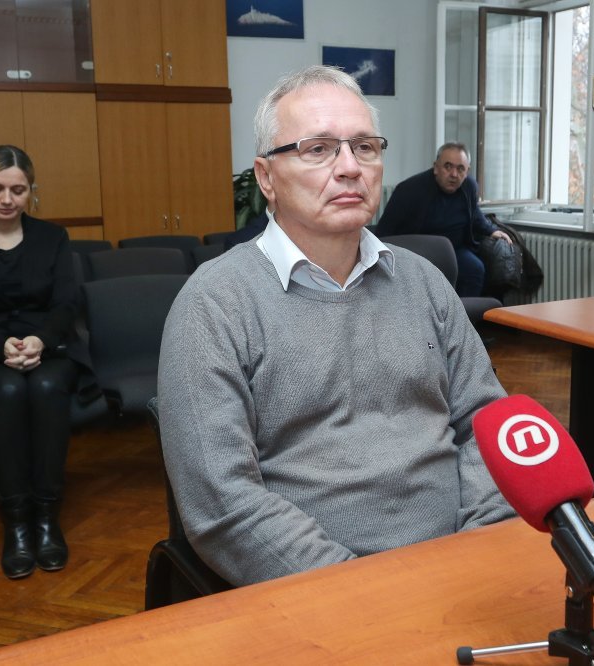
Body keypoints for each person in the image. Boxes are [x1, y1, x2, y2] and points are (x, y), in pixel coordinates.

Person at [157, 66, 514, 588]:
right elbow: (223, 504)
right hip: (322, 592)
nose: (350, 168)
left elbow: (488, 422)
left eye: (364, 147)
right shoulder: (213, 305)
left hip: (463, 566)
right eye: (318, 149)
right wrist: (356, 591)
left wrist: (479, 546)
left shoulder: (424, 282)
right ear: (266, 178)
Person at [0, 145, 97, 579]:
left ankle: (46, 516)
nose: (7, 199)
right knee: (7, 389)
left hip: (49, 347)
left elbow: (66, 303)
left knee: (45, 386)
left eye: (18, 190)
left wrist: (39, 340)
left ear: (31, 191)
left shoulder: (52, 237)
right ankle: (16, 521)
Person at [375, 142, 512, 297]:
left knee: (475, 269)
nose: (454, 174)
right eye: (448, 166)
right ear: (436, 167)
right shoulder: (409, 190)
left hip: (456, 249)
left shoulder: (469, 187)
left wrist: (492, 231)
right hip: (419, 252)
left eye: (460, 169)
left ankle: (464, 312)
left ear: (467, 171)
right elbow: (384, 230)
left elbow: (475, 215)